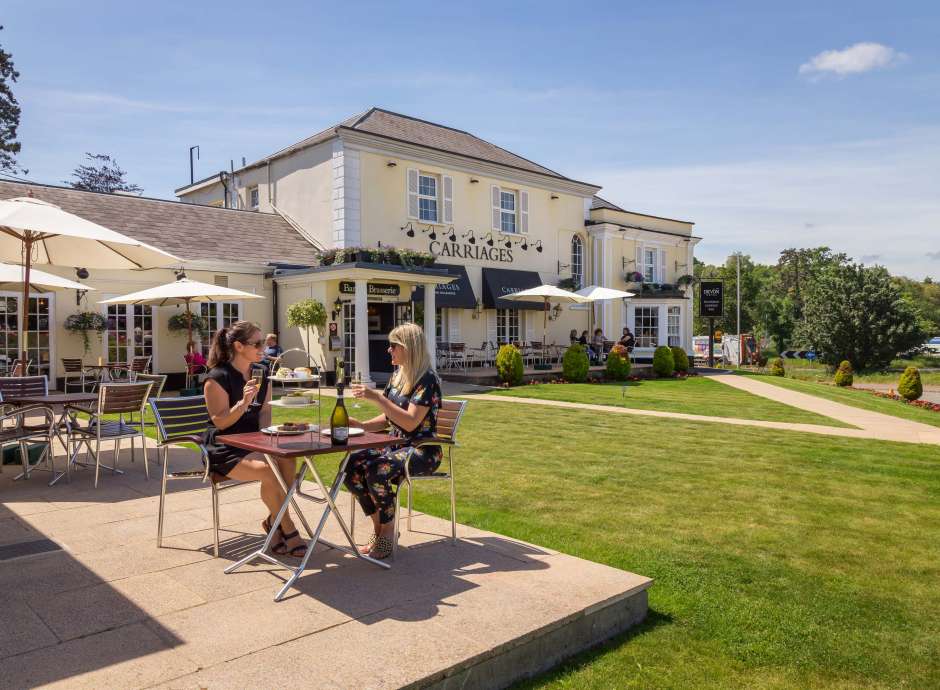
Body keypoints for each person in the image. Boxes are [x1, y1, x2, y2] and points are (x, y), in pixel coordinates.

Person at [202, 321, 307, 558]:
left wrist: (267, 440)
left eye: (262, 342)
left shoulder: (262, 371)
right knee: (269, 472)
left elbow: (265, 412)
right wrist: (242, 404)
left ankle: (273, 521)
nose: (263, 347)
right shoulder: (217, 378)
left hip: (253, 441)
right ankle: (289, 529)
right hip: (225, 448)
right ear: (239, 346)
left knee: (288, 460)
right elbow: (220, 422)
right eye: (257, 343)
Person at [346, 322, 443, 560]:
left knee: (377, 470)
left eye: (393, 346)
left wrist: (377, 398)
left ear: (409, 348)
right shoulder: (397, 376)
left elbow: (410, 423)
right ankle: (380, 527)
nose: (388, 350)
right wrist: (362, 426)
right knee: (352, 466)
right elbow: (388, 417)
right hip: (396, 446)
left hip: (422, 450)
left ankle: (388, 532)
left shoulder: (427, 380)